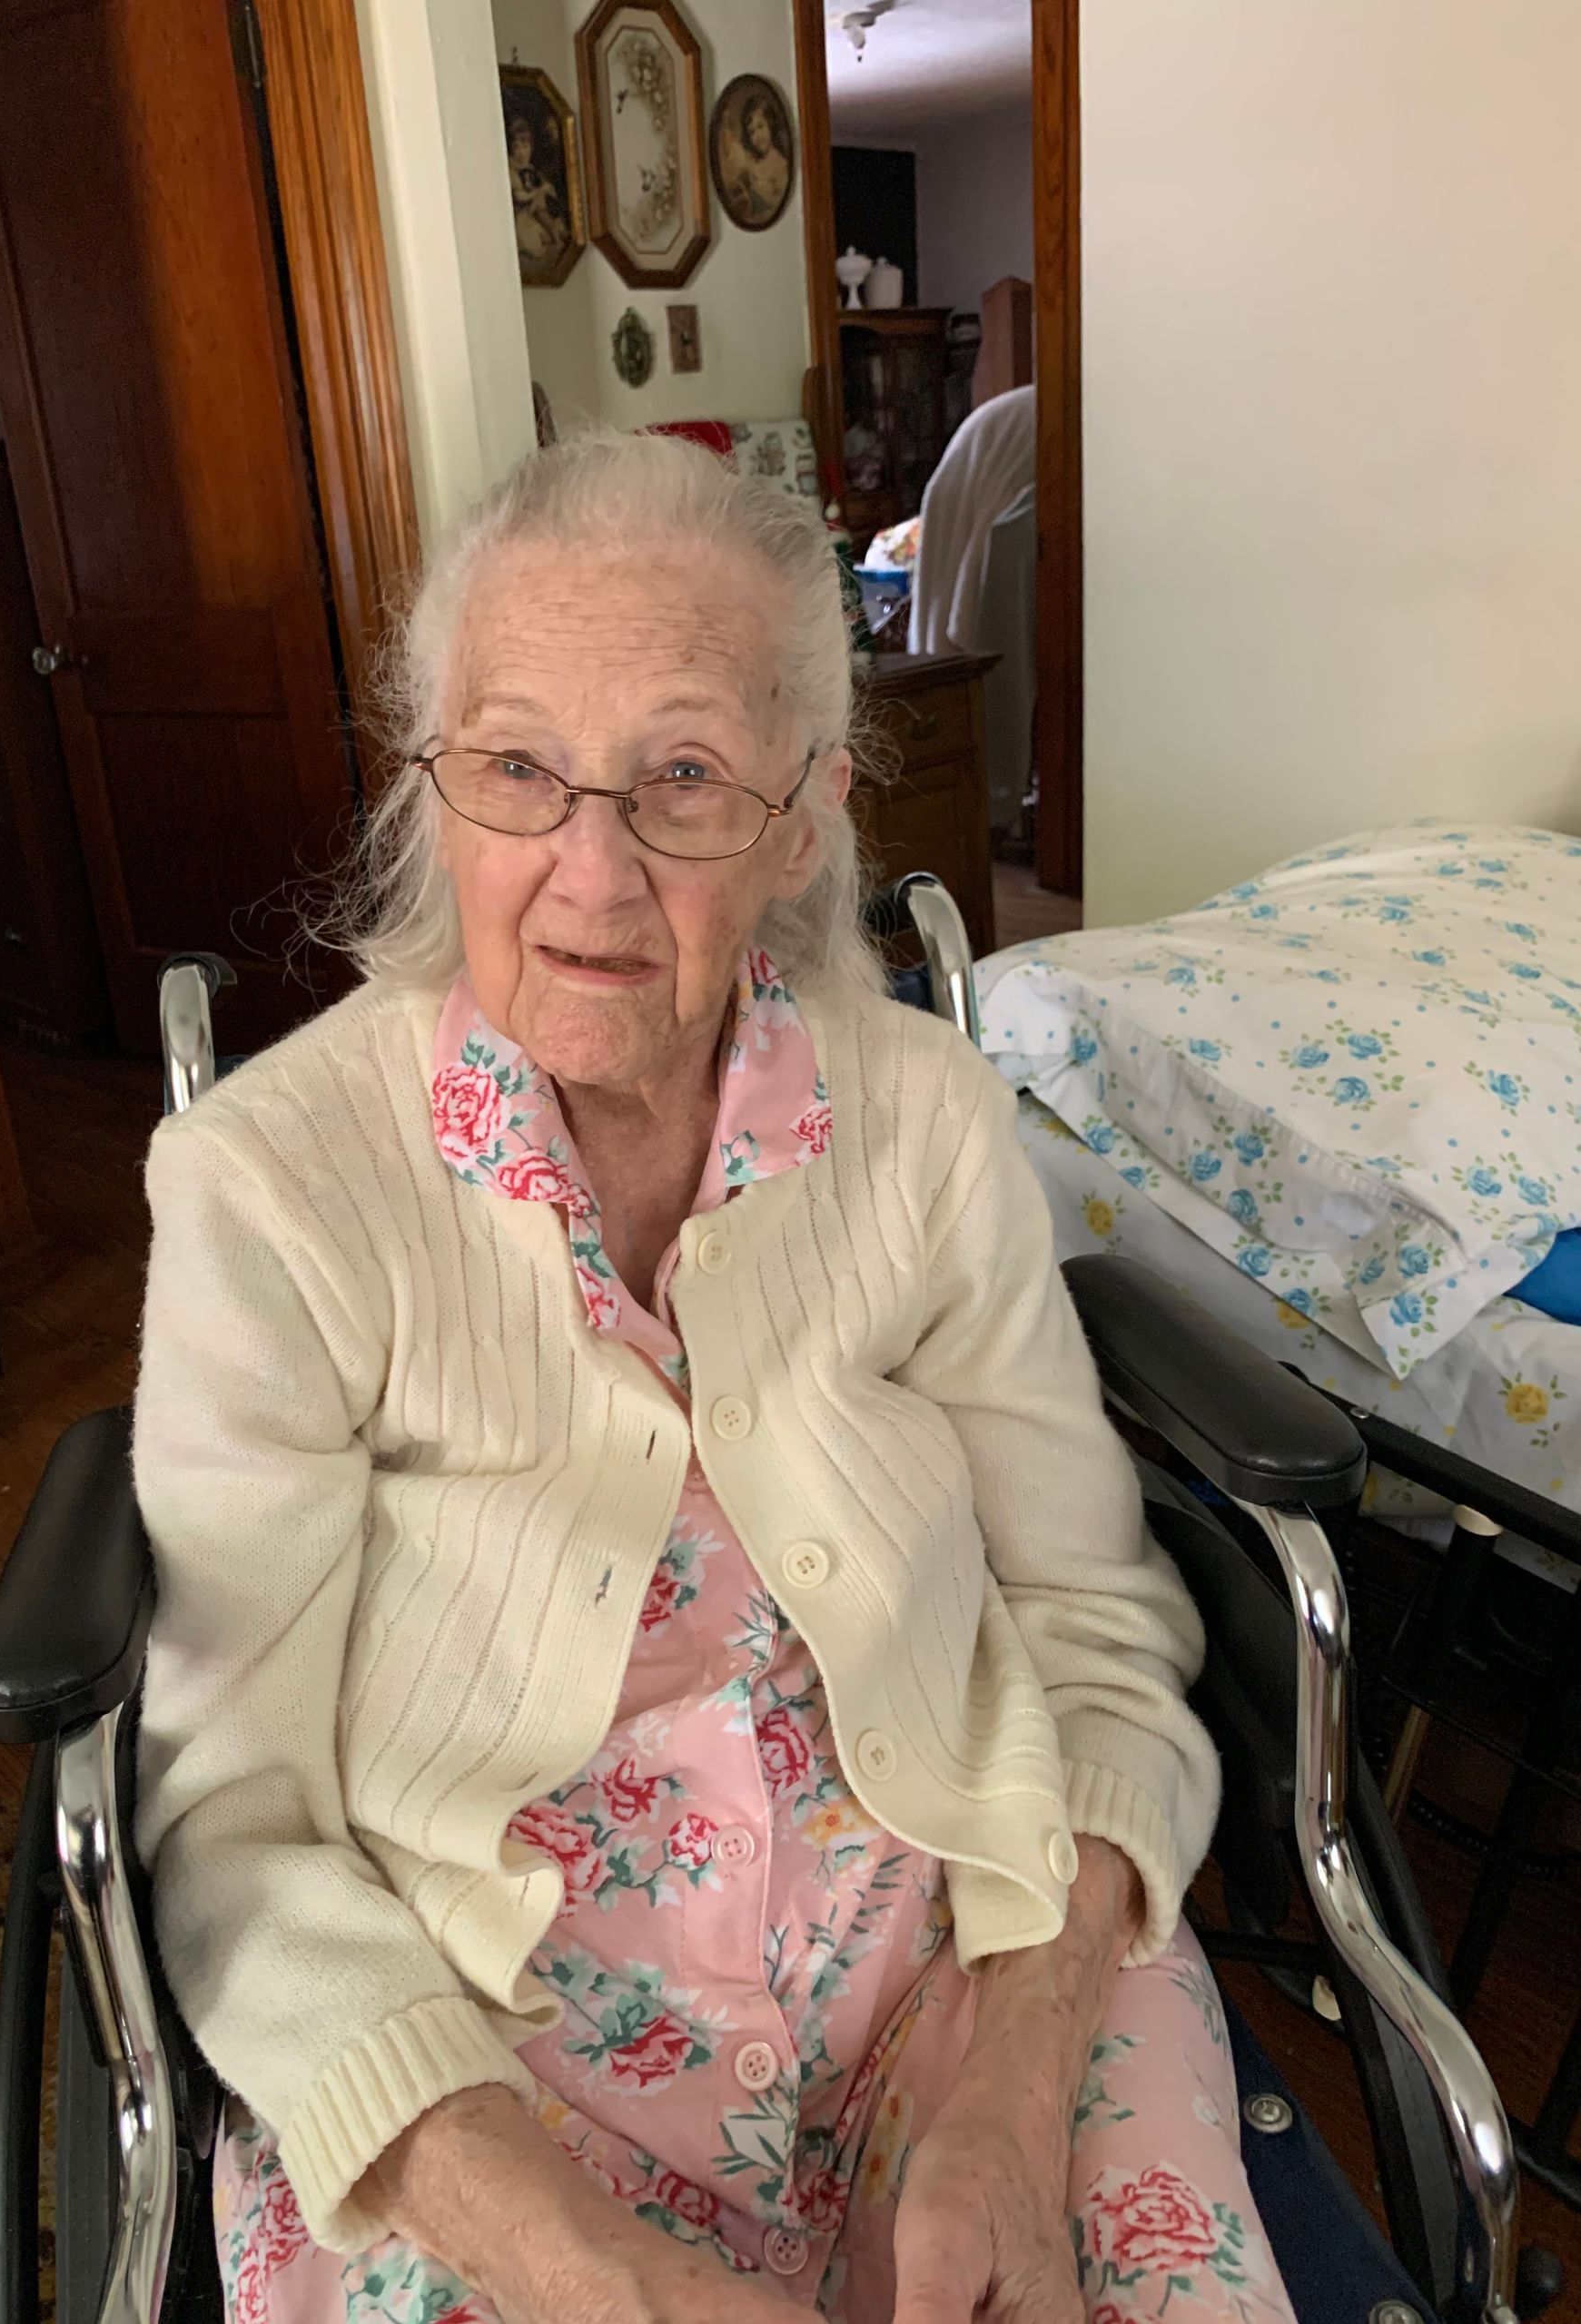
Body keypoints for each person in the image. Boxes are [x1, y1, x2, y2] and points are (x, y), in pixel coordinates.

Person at [134, 429, 1293, 2324]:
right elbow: (234, 1833)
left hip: (965, 1946)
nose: (586, 868)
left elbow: (1090, 1626)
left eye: (681, 777)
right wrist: (586, 2265)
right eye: (516, 766)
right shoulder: (273, 1188)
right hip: (486, 2062)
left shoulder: (919, 1120)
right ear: (437, 790)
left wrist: (1007, 2084)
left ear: (803, 816)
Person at [509, 113, 568, 272]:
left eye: (525, 146)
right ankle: (550, 232)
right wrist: (538, 192)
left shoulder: (529, 168)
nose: (522, 152)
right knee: (536, 244)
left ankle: (553, 228)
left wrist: (546, 188)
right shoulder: (511, 170)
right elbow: (518, 196)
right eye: (517, 147)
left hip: (534, 211)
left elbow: (539, 184)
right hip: (519, 215)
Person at [722, 92, 790, 226]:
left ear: (771, 124)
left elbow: (779, 208)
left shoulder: (780, 165)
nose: (757, 137)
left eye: (760, 126)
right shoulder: (753, 162)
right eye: (752, 132)